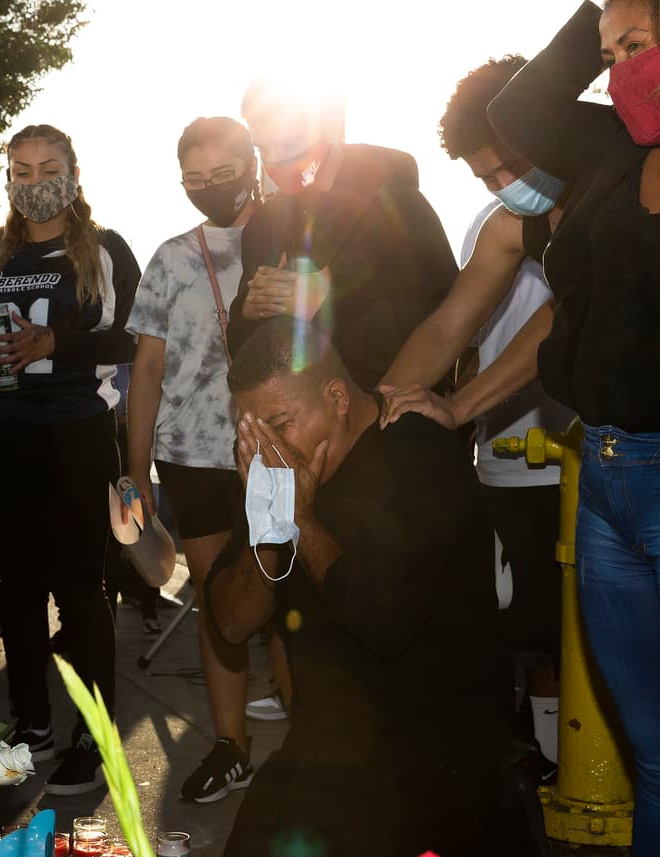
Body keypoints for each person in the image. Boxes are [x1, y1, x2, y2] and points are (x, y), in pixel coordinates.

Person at [380, 3, 660, 853]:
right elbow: (520, 112)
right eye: (605, 53)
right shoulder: (611, 149)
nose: (615, 70)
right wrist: (604, 11)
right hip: (607, 473)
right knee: (656, 758)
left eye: (633, 47)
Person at [205, 318, 510, 857]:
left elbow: (385, 623)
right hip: (327, 754)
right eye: (252, 430)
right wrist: (271, 529)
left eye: (279, 422)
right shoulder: (282, 471)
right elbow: (231, 622)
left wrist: (302, 520)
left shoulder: (418, 456)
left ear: (337, 396)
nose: (266, 445)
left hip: (434, 760)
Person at [380, 54, 576, 770]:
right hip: (528, 461)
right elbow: (446, 327)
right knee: (536, 627)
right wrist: (375, 414)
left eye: (508, 167)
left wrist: (458, 405)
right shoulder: (506, 225)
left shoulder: (613, 191)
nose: (502, 188)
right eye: (485, 178)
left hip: (657, 450)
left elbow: (563, 318)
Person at [0, 123, 140, 796]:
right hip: (0, 434)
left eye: (49, 167)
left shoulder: (105, 250)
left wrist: (56, 343)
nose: (36, 182)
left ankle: (92, 735)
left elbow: (135, 341)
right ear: (8, 179)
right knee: (21, 590)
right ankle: (30, 723)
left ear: (74, 173)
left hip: (75, 433)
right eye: (22, 171)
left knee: (80, 591)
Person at [125, 116, 289, 802]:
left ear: (252, 163)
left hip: (276, 451)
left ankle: (310, 740)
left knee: (285, 599)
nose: (207, 188)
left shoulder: (293, 237)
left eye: (221, 173)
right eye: (194, 178)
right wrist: (136, 471)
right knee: (217, 605)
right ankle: (231, 745)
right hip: (192, 457)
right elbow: (148, 367)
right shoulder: (170, 257)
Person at [226, 74, 457, 389]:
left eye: (289, 143)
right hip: (296, 420)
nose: (276, 160)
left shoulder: (397, 205)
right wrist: (249, 313)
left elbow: (446, 321)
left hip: (389, 411)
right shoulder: (263, 225)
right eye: (263, 149)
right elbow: (243, 351)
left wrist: (326, 306)